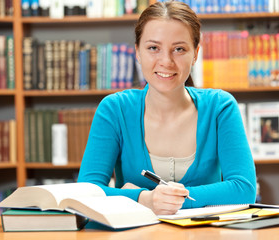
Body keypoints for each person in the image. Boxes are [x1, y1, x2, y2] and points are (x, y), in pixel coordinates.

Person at [77, 1, 256, 215]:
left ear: (196, 53)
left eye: (179, 49)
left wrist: (171, 202)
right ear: (137, 52)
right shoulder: (115, 109)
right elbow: (85, 192)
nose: (166, 61)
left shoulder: (220, 107)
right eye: (153, 48)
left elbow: (244, 189)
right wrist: (145, 199)